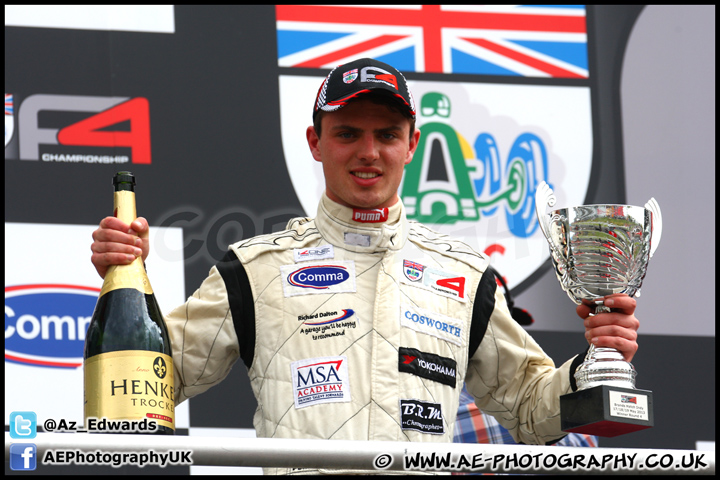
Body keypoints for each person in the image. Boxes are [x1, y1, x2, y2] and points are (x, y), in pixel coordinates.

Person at [90, 58, 639, 474]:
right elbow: (140, 392)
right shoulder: (254, 269)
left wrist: (596, 363)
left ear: (412, 144)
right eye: (348, 133)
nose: (368, 151)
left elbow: (530, 408)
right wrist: (124, 285)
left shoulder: (467, 276)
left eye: (386, 135)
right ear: (316, 143)